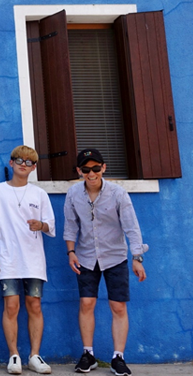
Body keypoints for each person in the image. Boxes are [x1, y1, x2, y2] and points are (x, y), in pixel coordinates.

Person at [64, 149, 147, 376]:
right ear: (79, 171)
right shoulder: (73, 194)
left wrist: (137, 258)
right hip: (86, 256)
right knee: (86, 303)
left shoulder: (118, 193)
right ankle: (88, 354)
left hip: (115, 257)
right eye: (86, 169)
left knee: (118, 306)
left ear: (104, 168)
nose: (91, 174)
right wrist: (70, 252)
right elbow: (70, 226)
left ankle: (118, 357)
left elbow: (131, 226)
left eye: (96, 168)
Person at [0, 146, 55, 375]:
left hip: (33, 258)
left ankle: (34, 356)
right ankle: (14, 355)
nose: (24, 164)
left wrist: (41, 225)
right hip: (7, 257)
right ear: (11, 163)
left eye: (29, 162)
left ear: (34, 167)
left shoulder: (39, 194)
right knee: (11, 305)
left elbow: (50, 225)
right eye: (19, 160)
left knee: (34, 304)